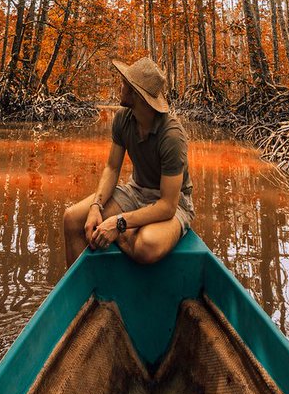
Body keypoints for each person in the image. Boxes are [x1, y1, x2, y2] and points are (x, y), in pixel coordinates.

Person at [63, 55, 194, 268]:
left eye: (124, 83)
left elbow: (168, 206)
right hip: (135, 191)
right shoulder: (123, 119)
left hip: (172, 202)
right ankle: (85, 295)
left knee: (146, 246)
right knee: (72, 219)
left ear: (137, 95)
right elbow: (112, 168)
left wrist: (119, 222)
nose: (120, 86)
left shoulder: (172, 136)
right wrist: (97, 205)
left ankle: (128, 232)